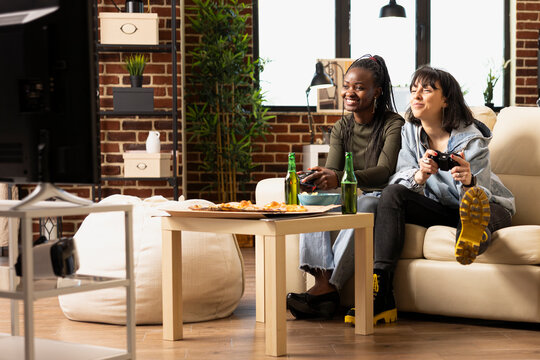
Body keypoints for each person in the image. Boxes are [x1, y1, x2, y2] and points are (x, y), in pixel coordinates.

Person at [356, 65, 515, 326]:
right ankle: (381, 291)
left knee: (478, 208)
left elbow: (482, 190)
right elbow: (398, 176)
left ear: (446, 100)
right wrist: (419, 176)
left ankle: (475, 235)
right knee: (393, 192)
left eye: (426, 90)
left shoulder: (472, 139)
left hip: (483, 202)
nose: (416, 96)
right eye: (413, 90)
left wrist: (468, 180)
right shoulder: (409, 131)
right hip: (438, 208)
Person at [286, 54, 405, 320]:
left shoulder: (393, 124)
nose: (350, 92)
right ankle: (320, 282)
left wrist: (339, 178)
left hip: (383, 195)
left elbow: (385, 172)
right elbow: (333, 172)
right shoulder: (341, 127)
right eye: (347, 85)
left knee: (365, 204)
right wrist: (319, 179)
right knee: (317, 200)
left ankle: (328, 289)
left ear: (377, 92)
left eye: (359, 87)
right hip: (352, 192)